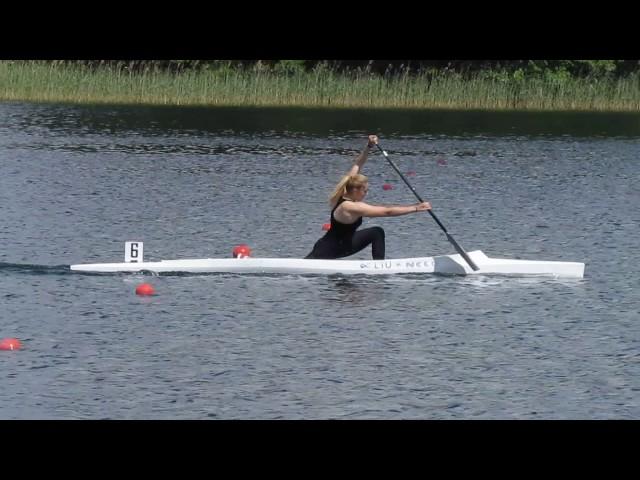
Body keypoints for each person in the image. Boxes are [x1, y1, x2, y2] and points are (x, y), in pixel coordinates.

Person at [305, 135, 432, 260]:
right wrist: (416, 208)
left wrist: (369, 146)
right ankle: (379, 268)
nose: (366, 194)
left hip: (339, 245)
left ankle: (378, 266)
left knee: (376, 232)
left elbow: (357, 164)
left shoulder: (345, 190)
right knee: (376, 232)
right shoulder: (349, 206)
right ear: (355, 189)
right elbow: (387, 211)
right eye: (365, 191)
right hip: (328, 251)